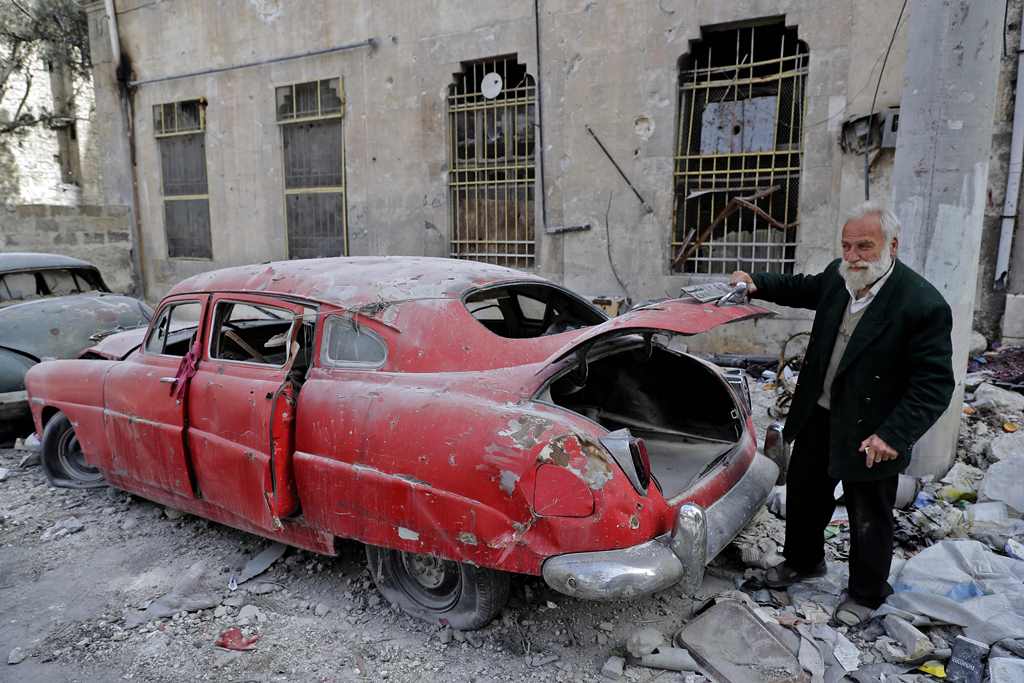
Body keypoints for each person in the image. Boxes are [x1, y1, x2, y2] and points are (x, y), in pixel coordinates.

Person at [729, 201, 954, 626]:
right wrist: (755, 281)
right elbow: (801, 287)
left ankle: (867, 594)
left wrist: (893, 435)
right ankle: (803, 561)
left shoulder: (921, 305)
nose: (853, 257)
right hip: (821, 413)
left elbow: (935, 384)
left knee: (869, 513)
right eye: (847, 246)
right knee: (806, 495)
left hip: (874, 431)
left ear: (892, 246)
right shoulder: (840, 278)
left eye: (864, 247)